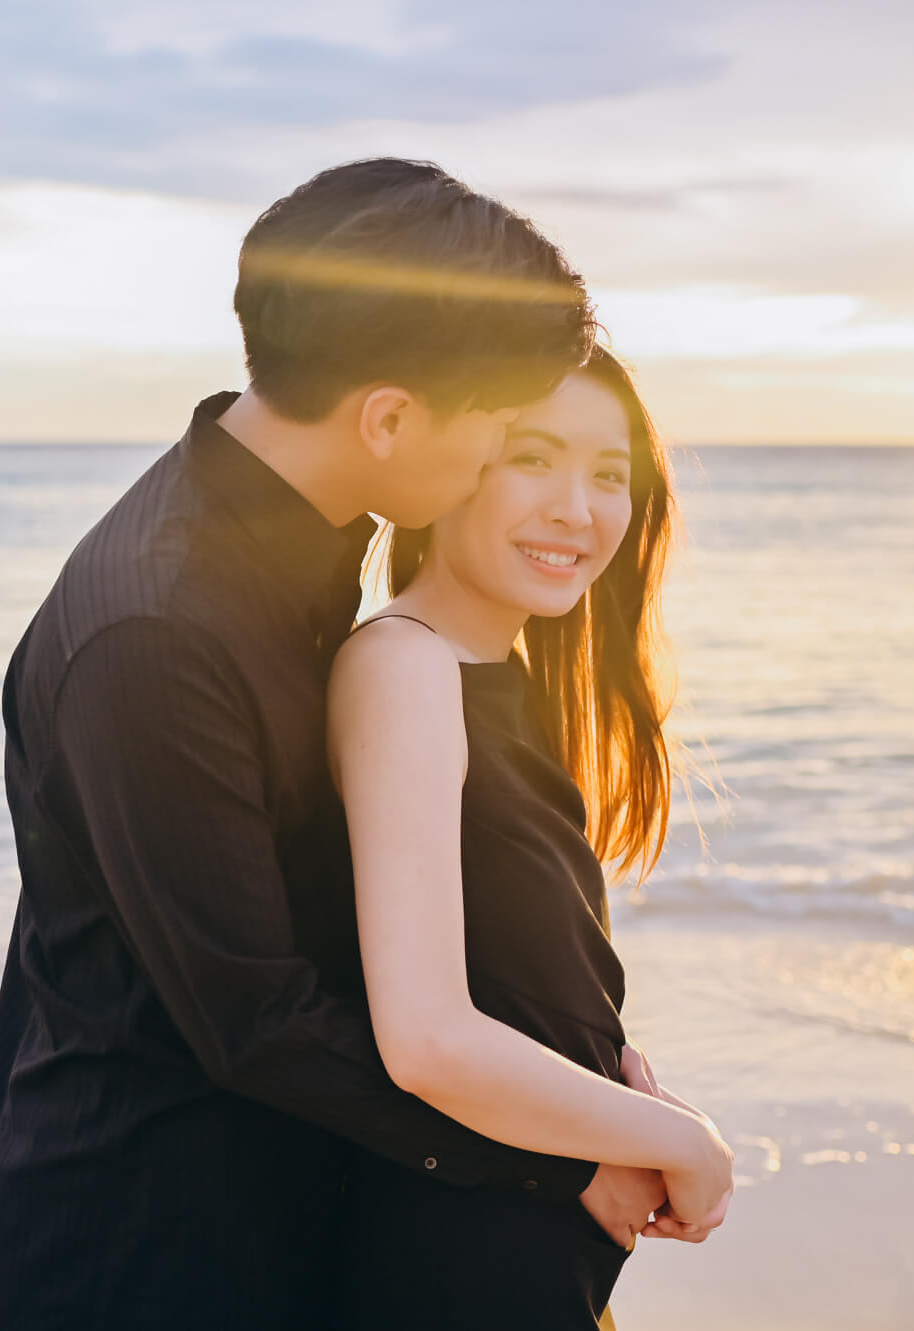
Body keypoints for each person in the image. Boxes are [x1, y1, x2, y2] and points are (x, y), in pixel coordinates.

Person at [0, 159, 708, 1329]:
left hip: (313, 1210)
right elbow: (258, 1020)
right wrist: (569, 1154)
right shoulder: (154, 630)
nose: (492, 465)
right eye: (496, 432)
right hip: (154, 1248)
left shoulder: (310, 564)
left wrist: (581, 1096)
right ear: (387, 417)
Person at [325, 347, 733, 1328]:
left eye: (608, 474)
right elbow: (425, 1037)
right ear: (448, 470)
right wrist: (685, 1142)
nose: (576, 508)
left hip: (530, 1251)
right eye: (532, 458)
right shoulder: (404, 665)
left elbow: (515, 984)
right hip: (456, 1263)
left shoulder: (493, 678)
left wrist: (614, 1102)